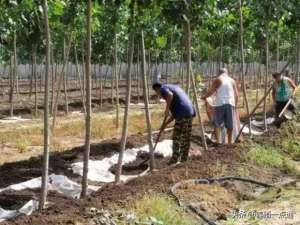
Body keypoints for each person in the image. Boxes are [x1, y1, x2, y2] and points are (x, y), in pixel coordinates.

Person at [152, 82, 195, 164]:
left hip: (182, 113)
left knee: (177, 137)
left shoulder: (163, 88)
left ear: (157, 89)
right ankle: (183, 159)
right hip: (189, 112)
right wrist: (165, 124)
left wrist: (167, 108)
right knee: (186, 137)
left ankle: (175, 159)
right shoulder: (173, 87)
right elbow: (175, 115)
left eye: (157, 92)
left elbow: (170, 95)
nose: (159, 94)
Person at [201, 68, 239, 144]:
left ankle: (218, 142)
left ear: (219, 73)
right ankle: (229, 143)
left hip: (220, 103)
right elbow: (237, 95)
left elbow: (211, 91)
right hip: (230, 103)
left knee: (217, 123)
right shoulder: (232, 81)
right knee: (230, 124)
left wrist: (204, 97)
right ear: (227, 73)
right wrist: (235, 106)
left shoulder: (218, 79)